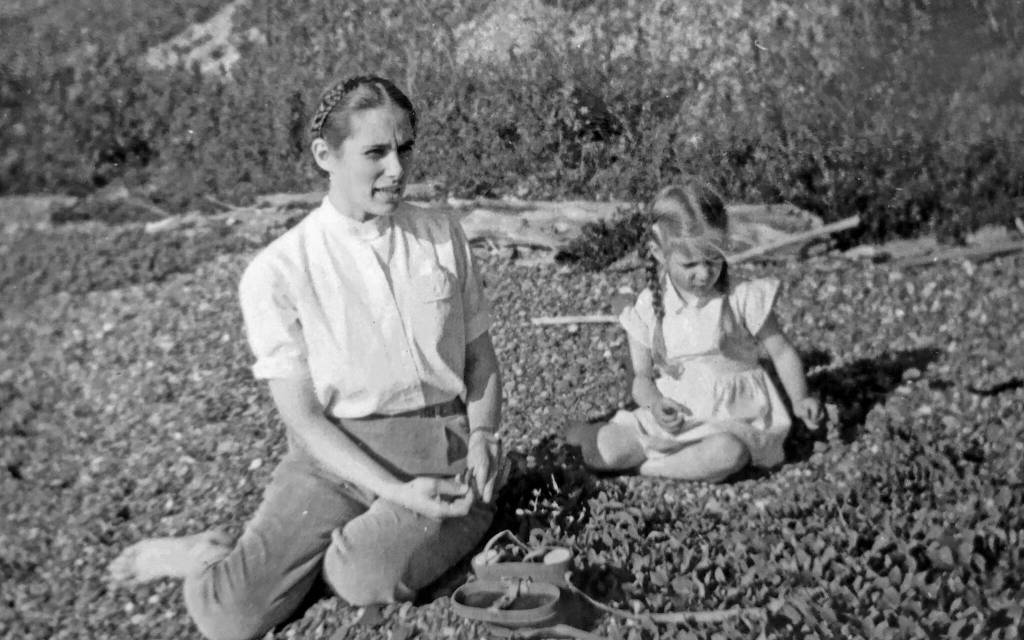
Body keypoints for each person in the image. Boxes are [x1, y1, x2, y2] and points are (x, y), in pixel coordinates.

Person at [107, 76, 505, 640]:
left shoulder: (441, 235)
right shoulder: (278, 270)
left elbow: (480, 359)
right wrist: (390, 493)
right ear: (326, 155)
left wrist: (485, 435)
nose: (397, 169)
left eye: (405, 148)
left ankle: (327, 556)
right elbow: (303, 419)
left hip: (438, 450)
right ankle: (200, 555)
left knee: (362, 576)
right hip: (330, 461)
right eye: (376, 153)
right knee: (230, 617)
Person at [566, 179, 821, 482]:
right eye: (690, 264)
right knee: (603, 450)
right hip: (674, 416)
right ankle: (592, 437)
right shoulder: (649, 306)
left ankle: (651, 467)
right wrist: (654, 404)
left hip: (731, 420)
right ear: (659, 253)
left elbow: (781, 350)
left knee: (728, 452)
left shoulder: (741, 296)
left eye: (713, 260)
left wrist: (800, 397)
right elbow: (641, 379)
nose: (704, 274)